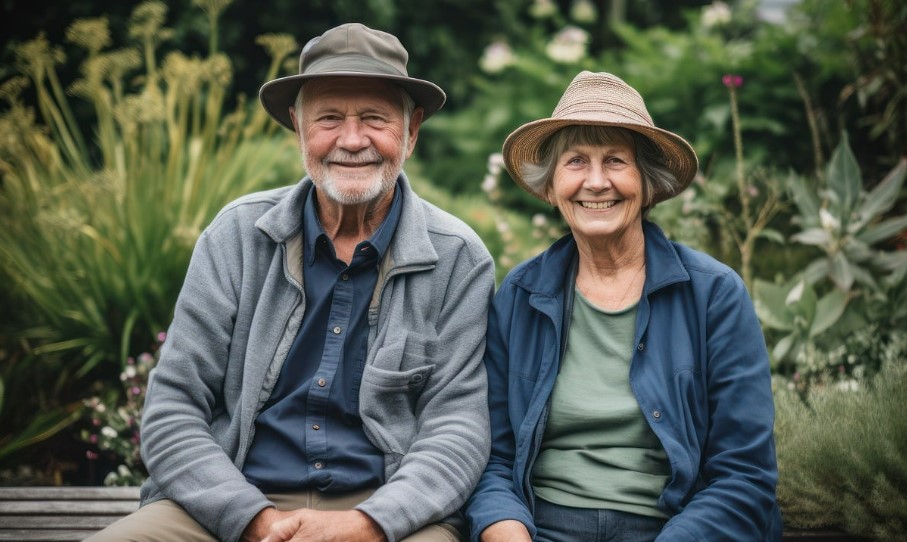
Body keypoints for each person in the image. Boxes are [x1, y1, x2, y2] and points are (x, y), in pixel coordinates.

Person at [87, 23, 495, 542]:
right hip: (230, 500)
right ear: (299, 131)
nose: (352, 140)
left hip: (387, 509)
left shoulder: (458, 257)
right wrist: (257, 522)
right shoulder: (235, 235)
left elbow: (457, 431)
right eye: (328, 119)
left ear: (411, 131)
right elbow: (172, 412)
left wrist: (369, 524)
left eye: (375, 118)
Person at [464, 71, 781, 542]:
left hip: (673, 530)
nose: (596, 182)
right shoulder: (520, 295)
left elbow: (744, 475)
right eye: (575, 162)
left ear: (646, 183)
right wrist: (504, 529)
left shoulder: (714, 295)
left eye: (615, 160)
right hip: (542, 527)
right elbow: (493, 456)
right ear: (551, 187)